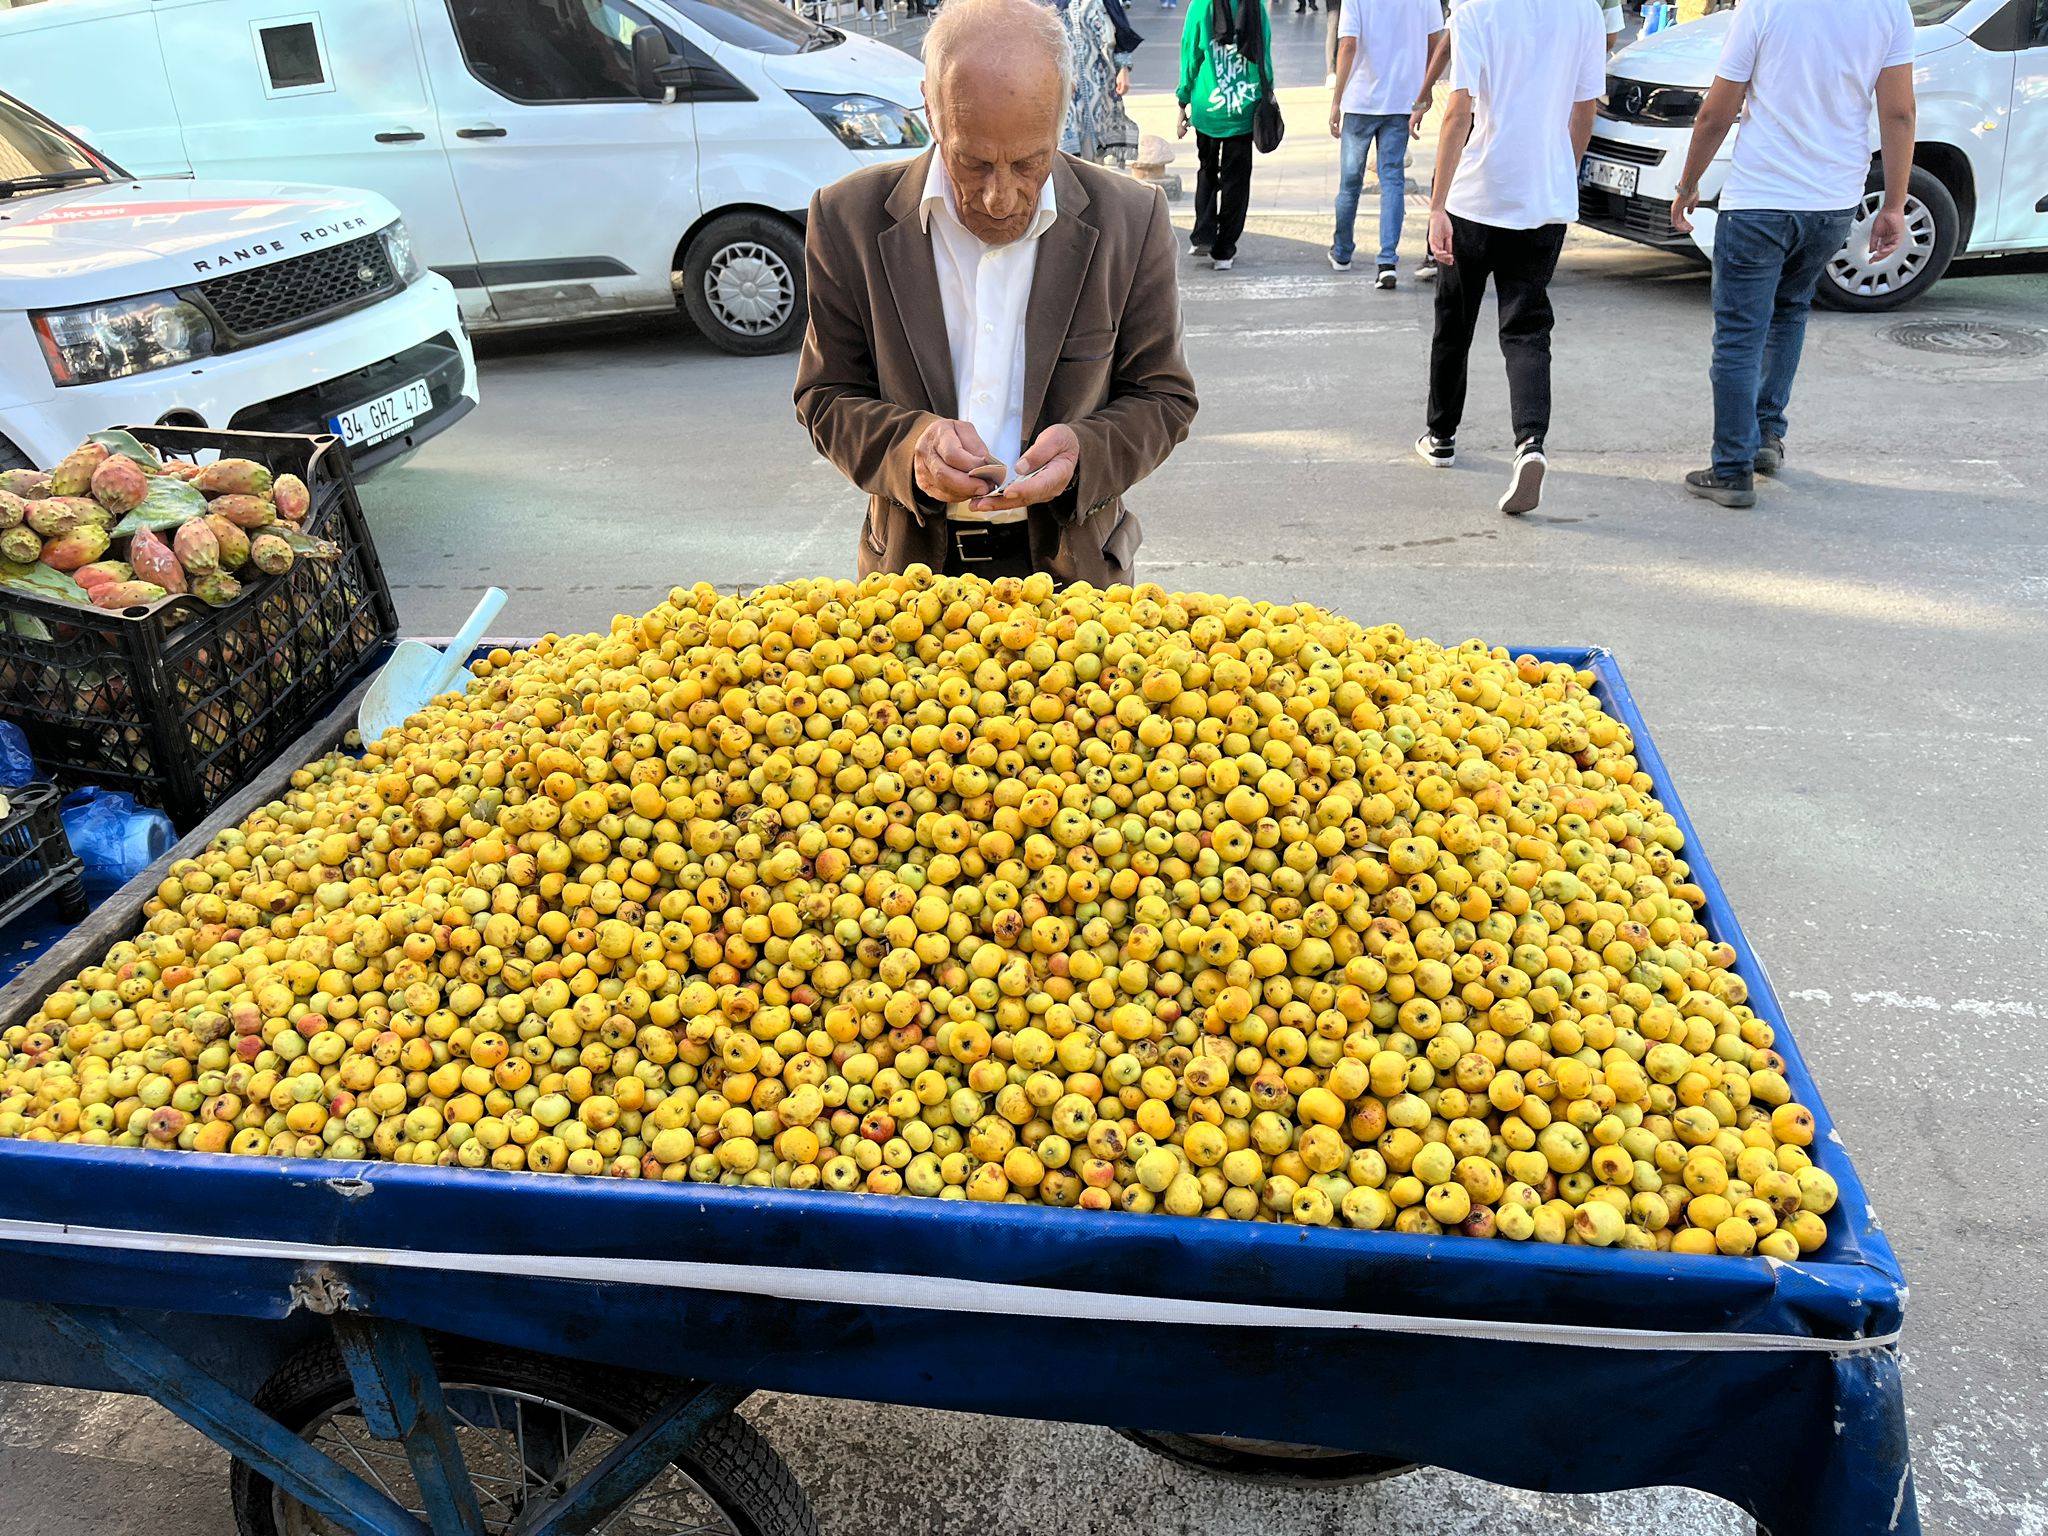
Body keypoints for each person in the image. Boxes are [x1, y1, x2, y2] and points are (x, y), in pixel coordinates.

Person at [793, 0, 1199, 584]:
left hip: (1078, 583)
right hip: (910, 583)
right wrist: (912, 450)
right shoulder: (847, 220)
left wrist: (1085, 452)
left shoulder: (1130, 221)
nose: (1000, 198)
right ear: (930, 109)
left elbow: (1164, 396)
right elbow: (825, 395)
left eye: (1031, 163)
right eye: (974, 162)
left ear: (1062, 119)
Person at [1672, 0, 1916, 507]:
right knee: (1789, 312)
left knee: (1740, 336)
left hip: (1760, 199)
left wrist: (1688, 183)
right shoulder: (1889, 8)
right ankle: (1765, 436)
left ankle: (1731, 469)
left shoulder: (1763, 6)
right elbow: (1899, 111)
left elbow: (1717, 111)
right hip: (1832, 202)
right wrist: (1893, 204)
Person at [1415, 0, 1603, 515]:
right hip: (1542, 202)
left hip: (1475, 197)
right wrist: (1560, 170)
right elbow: (1585, 107)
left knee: (1454, 322)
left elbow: (1459, 111)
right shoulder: (1584, 11)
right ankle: (1530, 443)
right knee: (1526, 327)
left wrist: (1437, 205)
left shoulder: (1477, 9)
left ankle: (1441, 437)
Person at [1328, 0, 1443, 286]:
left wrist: (1336, 100)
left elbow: (1348, 46)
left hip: (1360, 100)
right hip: (1403, 99)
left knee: (1349, 183)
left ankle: (1342, 252)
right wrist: (1424, 92)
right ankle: (1387, 261)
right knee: (1392, 179)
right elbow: (1436, 45)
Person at [1176, 0, 1273, 271]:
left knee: (1207, 169)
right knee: (1237, 181)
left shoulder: (1201, 5)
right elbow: (1264, 53)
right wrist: (1268, 92)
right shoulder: (1255, 5)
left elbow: (1190, 54)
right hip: (1244, 107)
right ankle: (1225, 250)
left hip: (1209, 106)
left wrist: (1183, 100)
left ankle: (1203, 234)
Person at [1060, 0, 1143, 166]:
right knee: (1065, 150)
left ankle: (1092, 187)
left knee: (1095, 150)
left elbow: (1120, 31)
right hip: (1063, 82)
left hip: (1099, 83)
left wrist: (1124, 69)